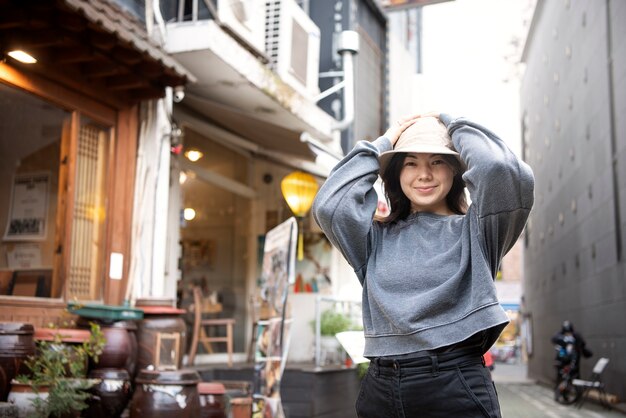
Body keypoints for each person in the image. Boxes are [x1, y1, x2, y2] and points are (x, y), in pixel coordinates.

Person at [312, 113, 534, 417]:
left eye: (437, 161)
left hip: (453, 385)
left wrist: (452, 124)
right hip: (380, 387)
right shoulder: (373, 239)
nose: (424, 174)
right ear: (394, 174)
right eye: (410, 163)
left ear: (456, 170)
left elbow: (501, 170)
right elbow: (330, 204)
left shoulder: (478, 231)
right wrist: (385, 143)